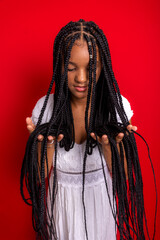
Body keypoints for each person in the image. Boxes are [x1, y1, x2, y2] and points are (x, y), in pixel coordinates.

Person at [21, 19, 146, 240]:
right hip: (60, 205)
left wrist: (111, 147)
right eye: (71, 68)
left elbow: (126, 174)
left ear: (103, 66)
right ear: (59, 67)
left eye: (91, 68)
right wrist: (45, 144)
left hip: (100, 203)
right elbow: (38, 176)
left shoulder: (116, 106)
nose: (81, 78)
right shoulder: (45, 109)